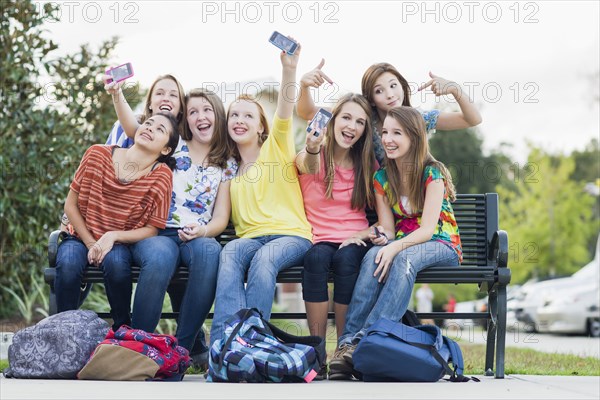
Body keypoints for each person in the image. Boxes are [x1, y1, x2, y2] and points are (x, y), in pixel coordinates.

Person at [328, 106, 462, 380]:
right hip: (404, 242)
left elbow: (427, 230)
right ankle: (347, 344)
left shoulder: (431, 173)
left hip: (441, 242)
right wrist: (368, 236)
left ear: (414, 137)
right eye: (385, 132)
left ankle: (368, 338)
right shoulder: (382, 178)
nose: (388, 139)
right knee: (372, 255)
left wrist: (394, 246)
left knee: (402, 259)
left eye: (397, 133)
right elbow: (388, 229)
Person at [209, 39, 312, 347]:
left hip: (291, 236)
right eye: (234, 116)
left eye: (248, 116)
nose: (239, 120)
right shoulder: (228, 169)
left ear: (260, 128)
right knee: (228, 254)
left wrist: (289, 69)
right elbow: (221, 217)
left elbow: (284, 107)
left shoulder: (276, 147)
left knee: (264, 259)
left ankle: (252, 344)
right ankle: (222, 347)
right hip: (248, 239)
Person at [54, 113, 179, 331]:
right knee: (68, 264)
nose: (149, 128)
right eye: (148, 123)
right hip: (79, 236)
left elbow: (152, 229)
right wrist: (92, 243)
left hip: (118, 244)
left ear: (166, 149)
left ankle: (123, 331)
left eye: (160, 129)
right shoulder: (97, 153)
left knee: (117, 266)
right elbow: (70, 206)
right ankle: (64, 333)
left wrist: (112, 236)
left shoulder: (161, 175)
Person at [296, 90, 376, 379]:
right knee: (316, 260)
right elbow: (308, 163)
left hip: (354, 238)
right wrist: (313, 146)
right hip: (318, 238)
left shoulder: (367, 164)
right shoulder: (314, 153)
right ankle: (317, 350)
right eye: (346, 117)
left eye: (360, 122)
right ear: (332, 120)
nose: (352, 126)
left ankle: (344, 349)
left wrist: (364, 233)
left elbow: (382, 218)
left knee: (346, 261)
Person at [296, 60, 482, 165]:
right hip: (376, 202)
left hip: (414, 200)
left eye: (393, 86)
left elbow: (472, 119)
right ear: (371, 99)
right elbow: (308, 112)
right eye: (379, 91)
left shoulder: (418, 118)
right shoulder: (363, 118)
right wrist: (304, 86)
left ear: (402, 86)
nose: (390, 95)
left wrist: (455, 89)